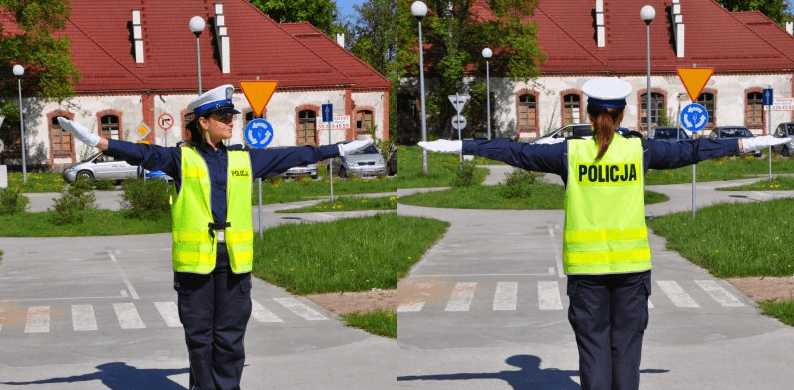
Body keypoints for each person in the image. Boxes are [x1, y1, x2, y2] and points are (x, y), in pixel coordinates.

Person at [418, 77, 790, 390]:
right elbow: (691, 150)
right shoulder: (638, 150)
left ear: (588, 115)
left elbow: (517, 152)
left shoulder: (570, 153)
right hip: (632, 269)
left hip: (586, 273)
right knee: (627, 348)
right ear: (623, 114)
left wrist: (462, 145)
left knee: (594, 347)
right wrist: (747, 143)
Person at [57, 84, 373, 390]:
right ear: (203, 123)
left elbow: (292, 155)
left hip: (234, 264)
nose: (230, 122)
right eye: (223, 118)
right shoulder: (181, 159)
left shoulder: (242, 158)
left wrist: (338, 148)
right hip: (195, 267)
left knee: (230, 337)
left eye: (231, 117)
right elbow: (143, 153)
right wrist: (100, 142)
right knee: (200, 338)